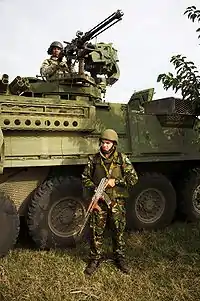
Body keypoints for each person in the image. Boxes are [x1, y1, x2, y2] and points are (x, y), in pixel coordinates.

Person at [82, 129, 138, 275]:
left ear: (114, 144)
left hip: (117, 202)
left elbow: (134, 179)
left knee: (118, 231)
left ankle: (119, 257)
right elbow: (84, 178)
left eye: (108, 143)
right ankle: (95, 258)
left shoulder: (122, 159)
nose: (105, 145)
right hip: (99, 202)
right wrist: (95, 189)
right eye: (103, 142)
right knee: (96, 231)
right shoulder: (93, 160)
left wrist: (116, 181)